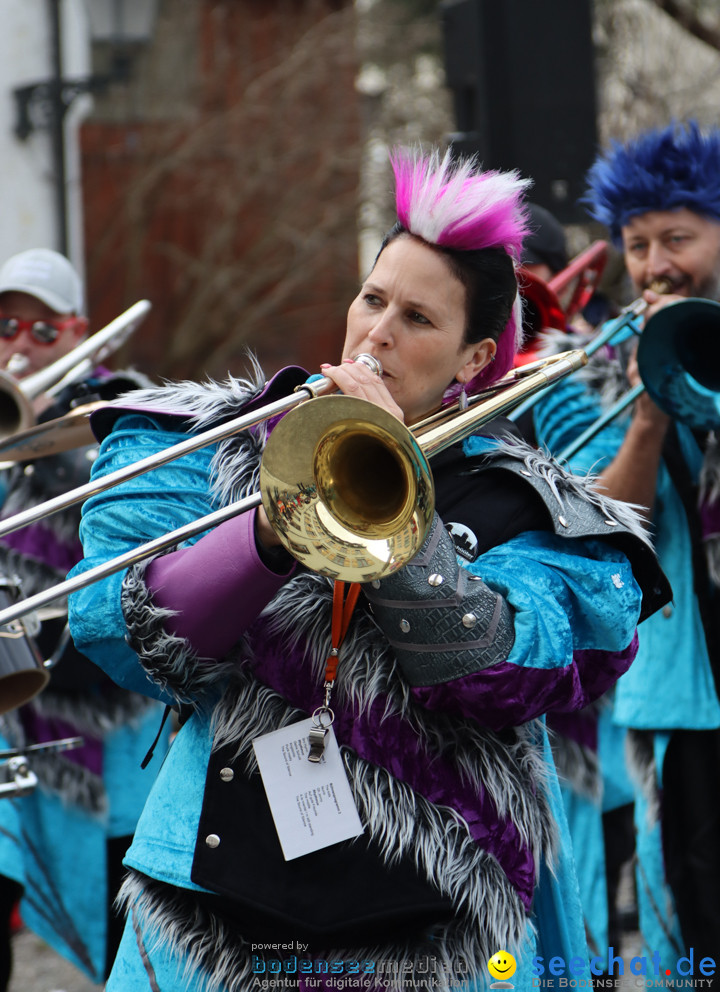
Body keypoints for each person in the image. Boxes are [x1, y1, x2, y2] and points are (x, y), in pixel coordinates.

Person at [67, 148, 668, 992]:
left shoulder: (531, 502)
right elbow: (126, 636)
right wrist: (273, 533)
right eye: (373, 299)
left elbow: (498, 674)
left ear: (473, 357)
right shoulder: (216, 447)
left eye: (419, 319)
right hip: (212, 910)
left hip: (444, 921)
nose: (379, 331)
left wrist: (400, 510)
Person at [533, 121, 720, 964]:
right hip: (687, 703)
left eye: (677, 237)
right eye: (637, 245)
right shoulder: (594, 367)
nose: (655, 264)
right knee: (698, 915)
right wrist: (651, 408)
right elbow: (600, 528)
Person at [0, 248, 168, 987]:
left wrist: (50, 436)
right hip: (17, 726)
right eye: (6, 325)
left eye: (44, 331)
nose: (20, 345)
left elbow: (138, 532)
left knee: (122, 936)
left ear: (81, 333)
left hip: (105, 729)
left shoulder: (121, 408)